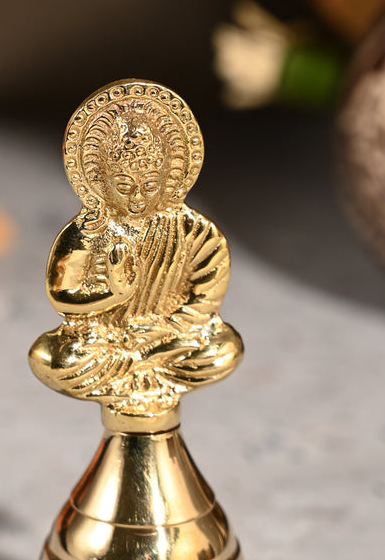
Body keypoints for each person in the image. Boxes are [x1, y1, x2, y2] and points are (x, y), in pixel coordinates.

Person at [29, 81, 242, 417]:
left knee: (222, 348)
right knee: (52, 357)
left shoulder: (195, 233)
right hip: (101, 344)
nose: (138, 198)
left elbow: (205, 301)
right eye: (125, 186)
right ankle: (142, 369)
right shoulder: (88, 231)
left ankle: (142, 365)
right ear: (101, 179)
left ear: (169, 178)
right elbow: (62, 295)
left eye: (149, 186)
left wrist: (165, 328)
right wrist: (114, 295)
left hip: (167, 340)